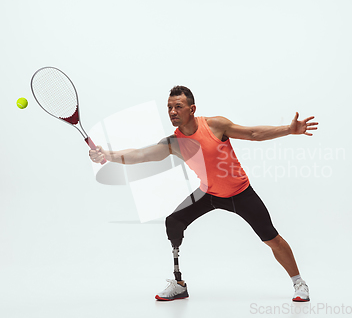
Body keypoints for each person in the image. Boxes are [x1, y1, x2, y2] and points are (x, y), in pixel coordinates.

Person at [89, 86, 318, 302]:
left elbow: (253, 133)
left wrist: (289, 129)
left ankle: (299, 283)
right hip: (208, 193)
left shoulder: (215, 126)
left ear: (192, 109)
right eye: (169, 107)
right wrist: (107, 154)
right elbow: (140, 155)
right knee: (174, 221)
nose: (172, 111)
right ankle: (179, 284)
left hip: (240, 192)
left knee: (271, 238)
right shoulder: (174, 142)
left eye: (178, 106)